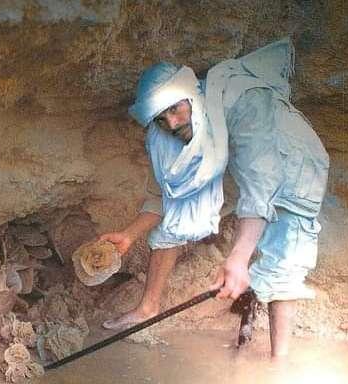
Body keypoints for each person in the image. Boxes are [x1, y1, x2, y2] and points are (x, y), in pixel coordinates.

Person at [99, 38, 329, 360]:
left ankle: (278, 363)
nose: (173, 124)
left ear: (190, 95)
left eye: (175, 110)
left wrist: (238, 258)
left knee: (282, 253)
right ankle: (147, 308)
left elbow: (260, 188)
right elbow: (166, 194)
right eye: (162, 119)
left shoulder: (245, 101)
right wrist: (129, 235)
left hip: (294, 166)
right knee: (176, 220)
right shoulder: (172, 131)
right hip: (231, 159)